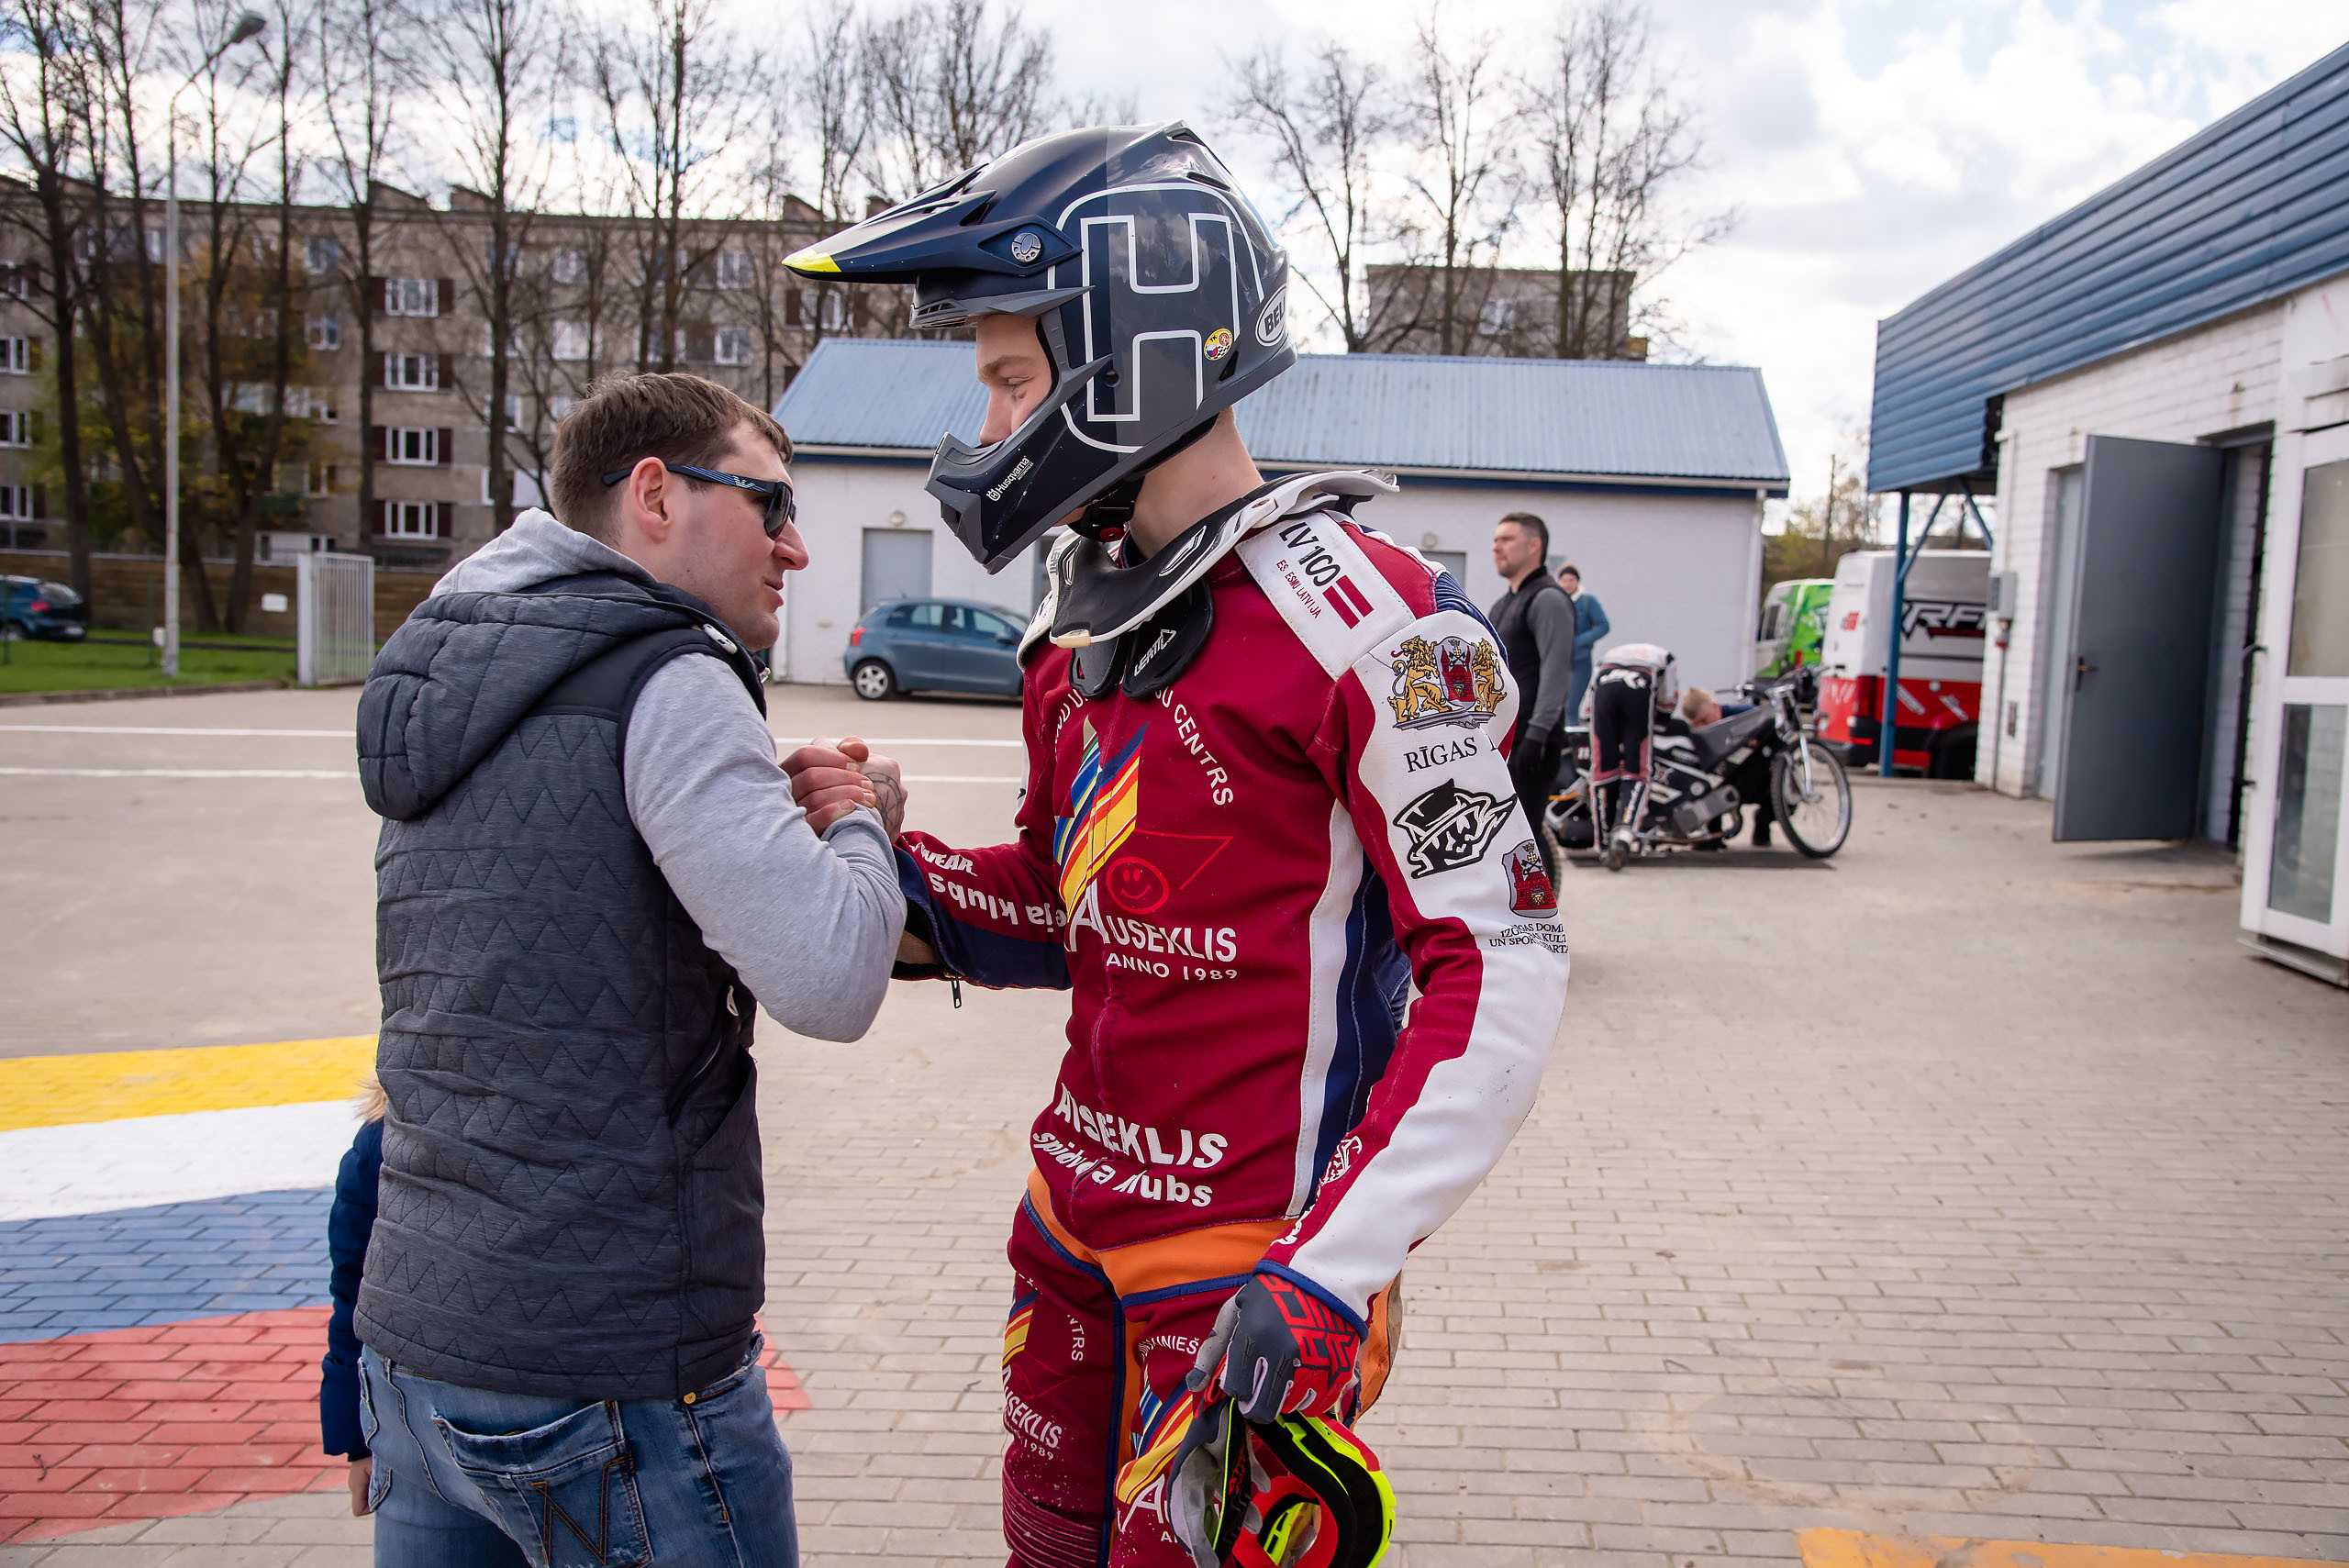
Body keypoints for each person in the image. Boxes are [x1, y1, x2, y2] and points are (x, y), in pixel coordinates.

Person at [783, 122, 1571, 1568]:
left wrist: (1333, 1274)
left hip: (1244, 1262)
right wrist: (879, 858)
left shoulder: (1381, 625)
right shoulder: (1077, 619)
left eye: (1015, 379)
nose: (995, 426)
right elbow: (1062, 902)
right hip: (1066, 1227)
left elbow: (1500, 968)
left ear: (1133, 350)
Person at [351, 373, 907, 1566]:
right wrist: (860, 822)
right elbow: (829, 978)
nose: (797, 546)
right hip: (610, 1383)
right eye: (770, 502)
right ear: (656, 494)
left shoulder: (448, 669)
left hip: (413, 1359)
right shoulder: (667, 676)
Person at [1488, 512, 1575, 874]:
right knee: (1500, 838)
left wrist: (1537, 735)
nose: (1496, 547)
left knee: (1524, 842)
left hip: (1532, 743)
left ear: (1534, 546)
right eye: (1495, 540)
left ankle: (1537, 923)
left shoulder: (1548, 599)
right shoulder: (1504, 603)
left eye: (1507, 539)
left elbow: (1556, 672)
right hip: (1503, 741)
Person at [319, 1078, 384, 1518]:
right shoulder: (385, 1135)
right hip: (414, 1429)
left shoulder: (385, 1129)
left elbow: (353, 1285)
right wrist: (360, 1436)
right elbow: (357, 1285)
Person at [1586, 641, 1679, 854]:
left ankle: (1603, 844)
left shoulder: (1608, 655)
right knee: (1637, 769)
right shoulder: (1665, 656)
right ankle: (1624, 833)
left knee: (1602, 771)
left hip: (1605, 683)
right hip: (1639, 685)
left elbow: (1587, 707)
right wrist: (1664, 715)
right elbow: (1667, 702)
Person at [1556, 563, 1610, 721]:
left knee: (1571, 707)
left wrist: (1579, 641)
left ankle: (1571, 741)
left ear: (1577, 581)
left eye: (1571, 580)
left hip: (1580, 662)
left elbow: (1603, 626)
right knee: (1557, 707)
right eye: (1564, 580)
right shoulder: (1557, 601)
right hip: (1559, 662)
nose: (1567, 584)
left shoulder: (1587, 601)